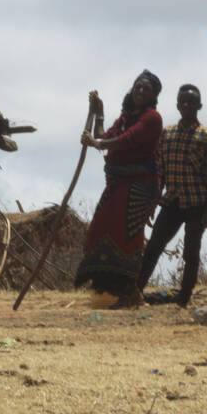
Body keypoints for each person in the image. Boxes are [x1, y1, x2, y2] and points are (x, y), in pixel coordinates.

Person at [74, 71, 164, 309]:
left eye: (146, 89)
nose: (140, 91)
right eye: (137, 87)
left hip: (140, 185)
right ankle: (111, 290)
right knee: (99, 230)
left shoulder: (152, 119)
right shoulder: (126, 117)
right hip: (117, 184)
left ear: (153, 96)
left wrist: (97, 143)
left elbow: (125, 141)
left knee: (128, 236)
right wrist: (99, 113)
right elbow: (104, 136)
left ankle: (130, 293)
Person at [138, 84, 207, 306]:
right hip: (172, 201)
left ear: (199, 106)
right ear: (177, 105)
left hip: (197, 203)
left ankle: (184, 298)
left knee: (191, 252)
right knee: (154, 246)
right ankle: (135, 291)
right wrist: (152, 202)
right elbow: (160, 172)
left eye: (191, 102)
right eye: (183, 102)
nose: (187, 105)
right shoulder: (167, 134)